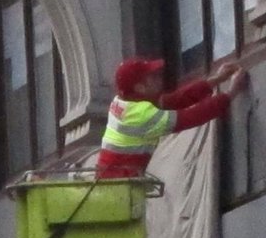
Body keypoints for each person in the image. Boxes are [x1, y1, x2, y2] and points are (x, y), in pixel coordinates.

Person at [95, 57, 249, 179]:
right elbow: (192, 117)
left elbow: (175, 100)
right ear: (140, 88)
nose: (158, 79)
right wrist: (232, 92)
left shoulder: (123, 101)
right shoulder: (142, 115)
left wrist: (217, 79)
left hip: (111, 186)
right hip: (120, 191)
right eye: (152, 77)